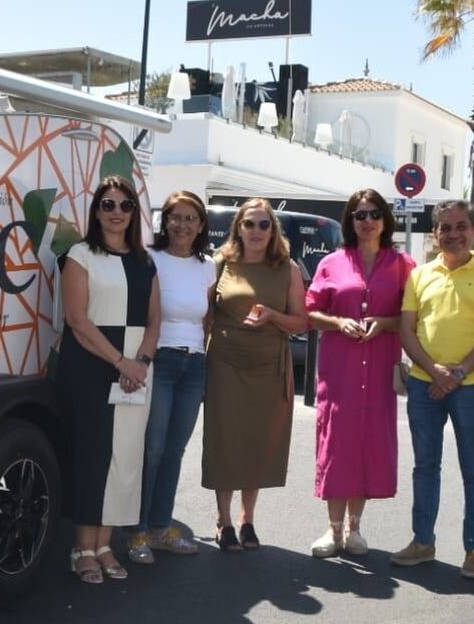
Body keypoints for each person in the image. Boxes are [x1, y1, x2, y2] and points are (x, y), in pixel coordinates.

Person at [394, 200, 474, 577]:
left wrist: (456, 374)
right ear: (435, 233)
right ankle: (422, 541)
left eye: (461, 226)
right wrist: (434, 370)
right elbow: (407, 330)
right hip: (424, 383)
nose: (453, 234)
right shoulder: (419, 275)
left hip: (472, 386)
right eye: (445, 227)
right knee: (425, 467)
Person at [56, 178, 161, 584]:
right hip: (91, 366)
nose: (117, 212)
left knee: (124, 456)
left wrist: (141, 363)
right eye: (108, 204)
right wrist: (121, 362)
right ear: (96, 211)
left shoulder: (145, 261)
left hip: (135, 371)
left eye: (125, 205)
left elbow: (154, 320)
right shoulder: (81, 255)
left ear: (134, 213)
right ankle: (82, 549)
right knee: (92, 455)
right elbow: (77, 320)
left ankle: (104, 546)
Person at [303, 188, 414, 558]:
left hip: (380, 368)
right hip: (340, 370)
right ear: (350, 221)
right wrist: (338, 322)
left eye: (374, 214)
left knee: (368, 444)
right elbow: (310, 311)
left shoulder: (403, 265)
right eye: (360, 215)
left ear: (386, 219)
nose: (367, 221)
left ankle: (354, 529)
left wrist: (385, 323)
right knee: (337, 444)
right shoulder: (332, 262)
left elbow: (413, 316)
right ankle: (332, 529)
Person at [202, 198, 308, 552]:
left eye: (264, 224)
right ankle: (224, 520)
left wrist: (273, 317)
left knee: (258, 444)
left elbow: (301, 322)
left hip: (268, 368)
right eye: (250, 224)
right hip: (225, 364)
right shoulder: (220, 262)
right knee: (225, 442)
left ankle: (248, 520)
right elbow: (204, 313)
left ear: (273, 230)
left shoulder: (287, 268)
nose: (257, 231)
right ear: (239, 228)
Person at [128, 191, 214, 565]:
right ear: (165, 221)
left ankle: (161, 528)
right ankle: (137, 531)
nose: (182, 224)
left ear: (201, 224)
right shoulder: (152, 259)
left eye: (190, 218)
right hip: (159, 361)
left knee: (175, 451)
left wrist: (202, 356)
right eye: (175, 217)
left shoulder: (208, 266)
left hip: (193, 365)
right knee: (152, 449)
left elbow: (207, 319)